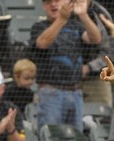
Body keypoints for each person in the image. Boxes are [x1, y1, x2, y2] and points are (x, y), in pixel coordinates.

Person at [30, 0, 102, 132]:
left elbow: (95, 39)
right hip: (50, 93)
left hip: (75, 92)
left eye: (56, 1)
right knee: (51, 135)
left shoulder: (76, 26)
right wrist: (61, 20)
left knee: (76, 138)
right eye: (48, 2)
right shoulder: (38, 27)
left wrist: (83, 15)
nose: (53, 5)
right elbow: (42, 43)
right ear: (43, 6)